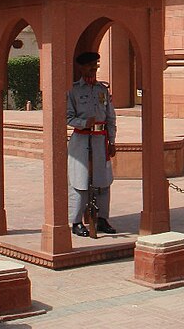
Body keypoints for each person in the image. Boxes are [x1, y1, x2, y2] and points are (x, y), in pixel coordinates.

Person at [66, 51, 117, 237]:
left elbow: (111, 118)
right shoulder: (73, 90)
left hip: (100, 140)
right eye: (89, 66)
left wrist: (112, 141)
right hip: (81, 140)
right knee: (79, 182)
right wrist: (83, 123)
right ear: (81, 67)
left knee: (103, 181)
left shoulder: (102, 90)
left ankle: (102, 219)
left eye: (95, 66)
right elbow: (67, 117)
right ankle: (76, 221)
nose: (93, 70)